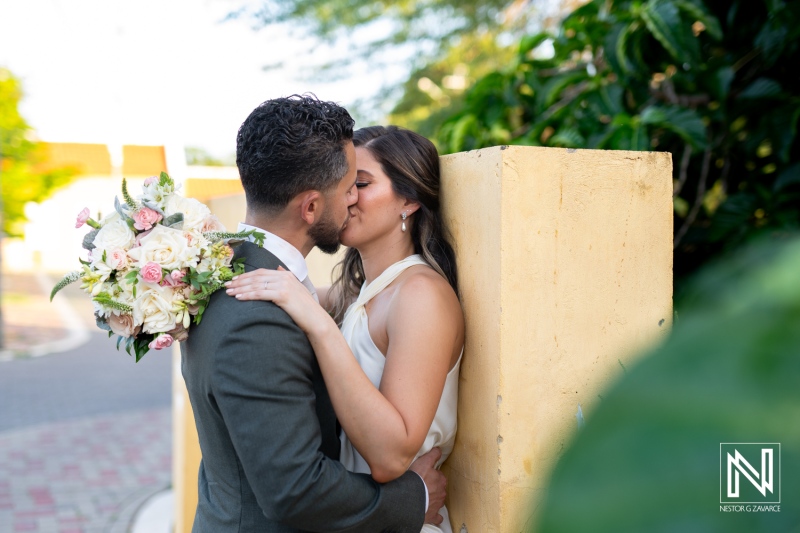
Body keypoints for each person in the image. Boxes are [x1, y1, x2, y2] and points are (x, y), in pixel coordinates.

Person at [181, 97, 446, 532]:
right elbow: (295, 490)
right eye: (347, 189)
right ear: (310, 207)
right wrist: (412, 499)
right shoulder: (256, 313)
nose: (352, 203)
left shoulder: (230, 271)